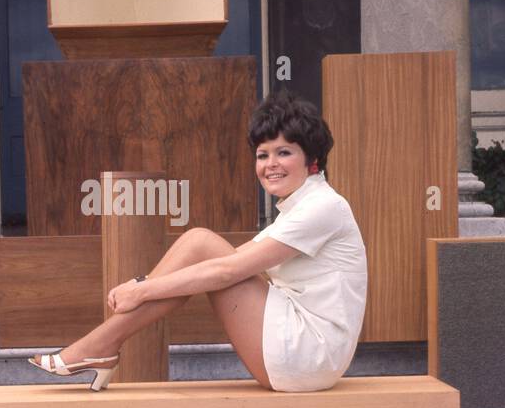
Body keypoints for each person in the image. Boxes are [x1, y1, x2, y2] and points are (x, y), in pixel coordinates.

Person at [29, 89, 368, 392]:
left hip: (307, 355)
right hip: (306, 354)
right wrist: (143, 283)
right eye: (263, 155)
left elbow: (225, 271)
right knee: (199, 247)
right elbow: (230, 262)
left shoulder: (322, 207)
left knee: (200, 243)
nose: (270, 165)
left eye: (283, 153)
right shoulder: (304, 206)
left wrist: (139, 290)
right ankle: (101, 345)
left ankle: (100, 345)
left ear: (313, 161)